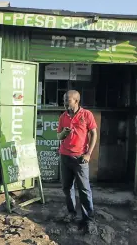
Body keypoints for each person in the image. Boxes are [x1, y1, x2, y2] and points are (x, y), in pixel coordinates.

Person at [57, 90, 98, 234]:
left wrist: (88, 154)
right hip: (65, 156)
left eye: (67, 99)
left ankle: (88, 218)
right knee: (67, 188)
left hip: (80, 158)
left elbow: (94, 134)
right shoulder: (63, 116)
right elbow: (59, 136)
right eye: (64, 99)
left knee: (84, 189)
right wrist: (64, 134)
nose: (64, 102)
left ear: (76, 100)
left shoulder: (87, 115)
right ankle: (71, 213)